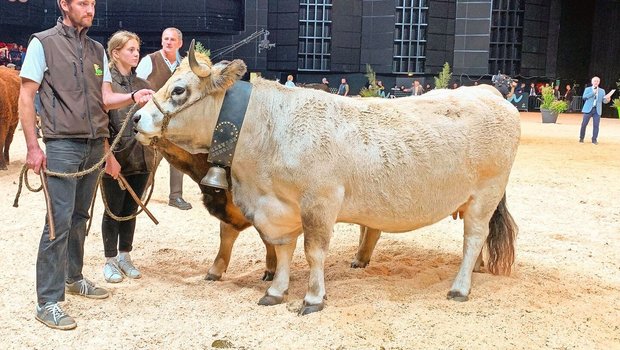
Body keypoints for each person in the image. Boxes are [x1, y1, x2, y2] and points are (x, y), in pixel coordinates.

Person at [18, 0, 153, 330]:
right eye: (82, 3)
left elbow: (105, 99)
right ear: (64, 5)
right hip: (62, 145)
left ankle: (74, 277)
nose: (89, 9)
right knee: (57, 222)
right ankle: (47, 301)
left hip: (94, 145)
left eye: (92, 3)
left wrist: (132, 98)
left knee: (81, 217)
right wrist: (33, 147)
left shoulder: (96, 51)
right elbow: (26, 95)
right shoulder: (43, 43)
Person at [100, 30, 155, 283]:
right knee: (113, 210)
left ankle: (125, 256)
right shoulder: (105, 85)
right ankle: (110, 260)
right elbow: (100, 123)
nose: (136, 54)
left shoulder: (143, 85)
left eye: (137, 49)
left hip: (141, 157)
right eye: (130, 50)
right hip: (116, 158)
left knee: (131, 210)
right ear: (115, 53)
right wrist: (108, 156)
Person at [136, 27, 192, 210]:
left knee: (178, 158)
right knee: (151, 158)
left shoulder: (184, 65)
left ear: (180, 43)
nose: (168, 42)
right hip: (153, 120)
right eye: (165, 39)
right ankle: (141, 192)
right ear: (161, 41)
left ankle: (176, 196)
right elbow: (136, 86)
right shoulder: (149, 61)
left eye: (172, 40)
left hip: (176, 123)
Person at [579, 76, 611, 145]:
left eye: (597, 81)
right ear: (592, 82)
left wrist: (607, 100)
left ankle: (594, 139)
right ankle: (581, 138)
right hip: (588, 109)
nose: (596, 82)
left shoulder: (602, 91)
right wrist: (593, 92)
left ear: (599, 82)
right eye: (595, 81)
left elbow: (604, 101)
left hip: (597, 110)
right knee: (584, 124)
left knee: (596, 125)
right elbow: (584, 97)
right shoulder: (588, 89)